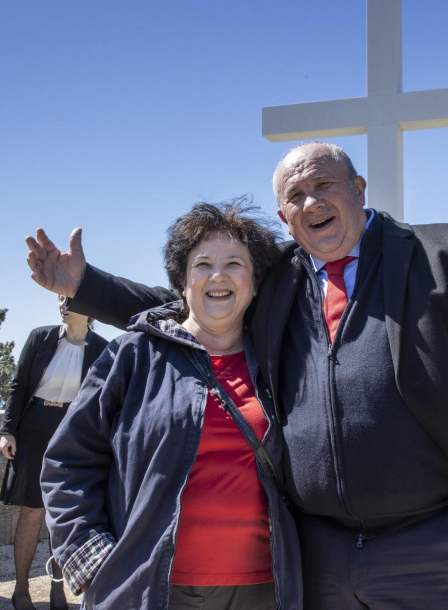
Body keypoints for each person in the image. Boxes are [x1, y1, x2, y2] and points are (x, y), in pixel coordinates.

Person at [26, 143, 448, 610]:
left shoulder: (441, 254)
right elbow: (200, 300)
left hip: (430, 552)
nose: (311, 202)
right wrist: (84, 287)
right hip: (317, 557)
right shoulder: (278, 277)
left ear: (358, 189)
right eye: (295, 194)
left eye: (324, 185)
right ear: (285, 217)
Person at [39, 201, 302, 610]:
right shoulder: (132, 355)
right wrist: (93, 560)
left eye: (235, 263)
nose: (218, 275)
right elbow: (67, 463)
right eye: (202, 264)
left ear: (254, 282)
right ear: (182, 280)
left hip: (263, 590)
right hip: (146, 588)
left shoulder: (280, 362)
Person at [0, 296, 108, 610]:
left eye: (72, 299)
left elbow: (105, 398)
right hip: (34, 427)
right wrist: (7, 431)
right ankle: (21, 591)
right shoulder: (39, 337)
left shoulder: (102, 348)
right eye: (61, 299)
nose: (64, 304)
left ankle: (58, 590)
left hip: (73, 431)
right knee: (32, 513)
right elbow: (19, 385)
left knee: (65, 515)